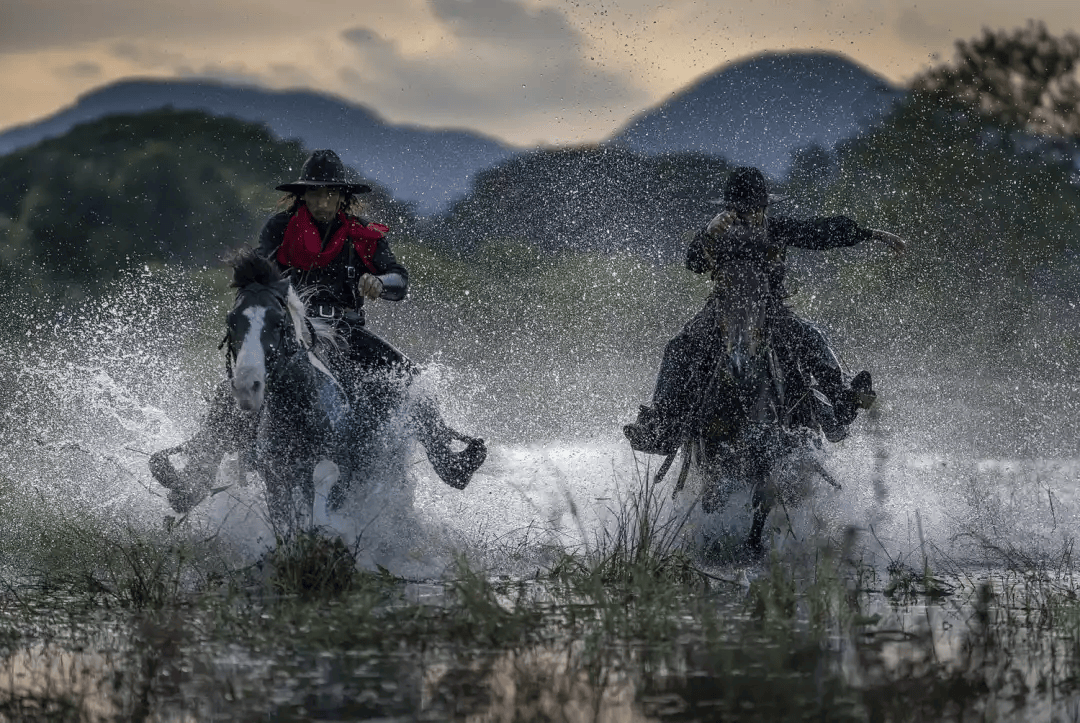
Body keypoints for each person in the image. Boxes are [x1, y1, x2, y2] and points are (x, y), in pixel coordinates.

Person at [152, 150, 486, 512]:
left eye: (330, 193)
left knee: (409, 377)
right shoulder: (279, 228)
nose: (322, 200)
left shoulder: (365, 236)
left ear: (343, 197)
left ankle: (446, 459)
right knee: (236, 387)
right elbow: (262, 272)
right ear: (303, 196)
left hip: (347, 331)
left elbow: (399, 280)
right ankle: (197, 474)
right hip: (292, 326)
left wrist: (378, 281)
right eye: (314, 193)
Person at [623, 166, 906, 454]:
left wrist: (870, 233)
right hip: (723, 309)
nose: (748, 216)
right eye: (740, 210)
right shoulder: (714, 232)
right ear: (729, 210)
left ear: (764, 207)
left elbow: (821, 232)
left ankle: (841, 401)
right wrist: (708, 236)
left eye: (754, 209)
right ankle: (660, 424)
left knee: (812, 338)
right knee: (679, 347)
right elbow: (693, 262)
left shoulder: (777, 228)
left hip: (771, 310)